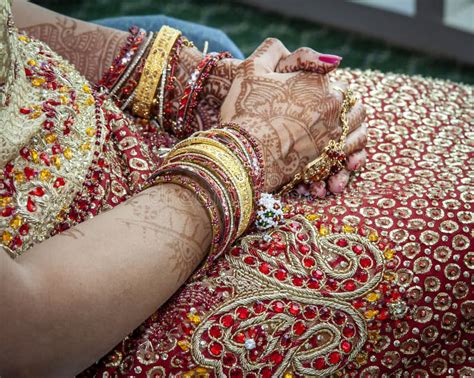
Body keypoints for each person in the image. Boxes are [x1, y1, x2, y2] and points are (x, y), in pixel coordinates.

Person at [1, 1, 472, 377]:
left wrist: (192, 82)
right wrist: (253, 148)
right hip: (95, 292)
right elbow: (23, 337)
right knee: (459, 224)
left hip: (87, 119)